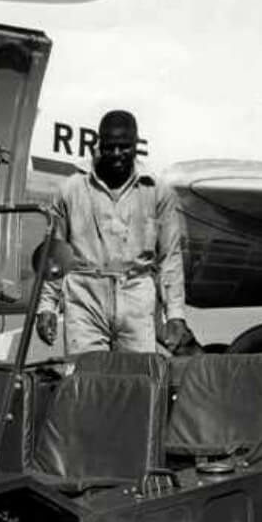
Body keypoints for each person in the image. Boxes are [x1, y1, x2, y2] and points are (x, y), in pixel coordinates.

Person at [35, 109, 194, 354]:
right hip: (84, 296)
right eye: (110, 147)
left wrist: (175, 314)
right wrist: (46, 306)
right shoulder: (71, 189)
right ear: (99, 145)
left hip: (136, 294)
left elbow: (169, 258)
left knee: (136, 382)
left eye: (124, 147)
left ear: (136, 145)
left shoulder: (157, 191)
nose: (117, 154)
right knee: (85, 380)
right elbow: (55, 254)